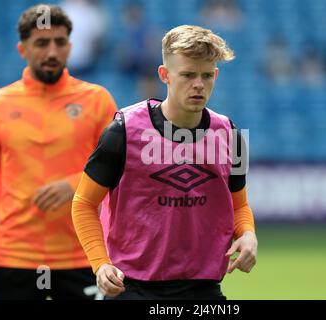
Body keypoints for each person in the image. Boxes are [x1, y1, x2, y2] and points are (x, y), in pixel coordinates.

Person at [72, 25, 258, 300]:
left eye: (207, 76)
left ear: (215, 75)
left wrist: (248, 234)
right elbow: (84, 203)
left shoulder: (232, 135)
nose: (198, 84)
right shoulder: (122, 131)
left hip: (203, 288)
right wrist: (100, 264)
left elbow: (239, 204)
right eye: (187, 75)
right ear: (165, 75)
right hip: (131, 287)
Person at [0, 4, 118, 300]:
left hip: (82, 256)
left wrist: (75, 185)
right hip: (16, 257)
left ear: (70, 46)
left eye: (60, 42)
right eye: (41, 43)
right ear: (22, 49)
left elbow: (122, 171)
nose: (52, 52)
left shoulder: (97, 100)